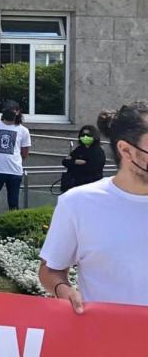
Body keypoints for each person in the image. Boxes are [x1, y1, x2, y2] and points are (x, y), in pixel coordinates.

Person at [40, 103, 148, 313]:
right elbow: (51, 270)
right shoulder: (78, 203)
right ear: (126, 150)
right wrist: (64, 290)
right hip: (106, 338)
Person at [0, 102, 31, 229]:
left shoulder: (23, 130)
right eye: (7, 109)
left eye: (13, 109)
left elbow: (25, 153)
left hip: (14, 172)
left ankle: (12, 231)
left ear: (18, 112)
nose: (10, 111)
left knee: (13, 204)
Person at [60, 125, 106, 193]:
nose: (85, 137)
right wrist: (76, 162)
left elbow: (92, 167)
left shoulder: (98, 151)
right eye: (83, 135)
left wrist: (73, 164)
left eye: (88, 135)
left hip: (91, 185)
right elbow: (65, 161)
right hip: (75, 185)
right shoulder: (79, 149)